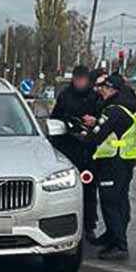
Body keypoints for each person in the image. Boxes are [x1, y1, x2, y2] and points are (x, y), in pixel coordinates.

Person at [77, 72, 136, 260]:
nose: (100, 92)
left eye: (103, 88)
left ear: (112, 89)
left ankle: (120, 245)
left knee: (110, 202)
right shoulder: (128, 108)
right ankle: (113, 236)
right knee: (120, 200)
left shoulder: (114, 111)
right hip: (124, 161)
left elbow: (97, 136)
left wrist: (82, 136)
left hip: (114, 162)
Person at [50, 65, 101, 242]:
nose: (80, 83)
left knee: (89, 189)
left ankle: (89, 226)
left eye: (83, 80)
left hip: (87, 150)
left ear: (88, 81)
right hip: (67, 147)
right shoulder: (65, 96)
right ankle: (63, 225)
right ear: (73, 79)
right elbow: (54, 119)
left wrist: (94, 123)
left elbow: (103, 121)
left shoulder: (94, 97)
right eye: (77, 79)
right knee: (65, 189)